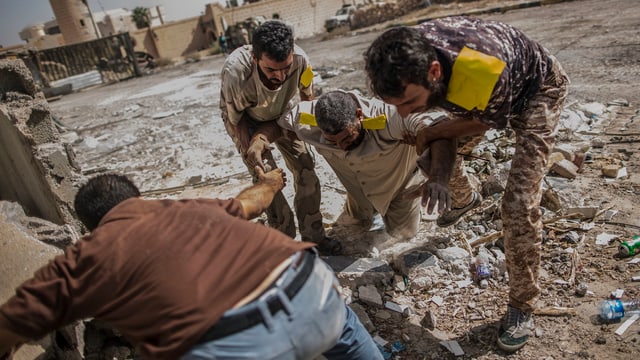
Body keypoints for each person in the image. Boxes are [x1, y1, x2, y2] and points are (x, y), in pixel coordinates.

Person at [0, 170, 383, 360]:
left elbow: (14, 321)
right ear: (138, 197)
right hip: (314, 292)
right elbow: (252, 202)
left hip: (235, 344)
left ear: (90, 225)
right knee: (344, 330)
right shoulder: (187, 207)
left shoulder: (88, 255)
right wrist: (270, 181)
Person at [364, 16, 569, 352]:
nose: (402, 113)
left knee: (518, 205)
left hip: (537, 92)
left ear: (433, 72)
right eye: (395, 105)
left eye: (408, 103)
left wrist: (431, 131)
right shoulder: (403, 57)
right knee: (434, 154)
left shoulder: (484, 68)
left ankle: (522, 306)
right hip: (484, 95)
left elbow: (480, 123)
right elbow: (444, 132)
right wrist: (436, 160)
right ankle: (463, 200)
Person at [246, 90, 462, 241]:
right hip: (358, 195)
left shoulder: (389, 116)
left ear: (359, 116)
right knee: (352, 228)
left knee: (404, 237)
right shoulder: (308, 118)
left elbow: (439, 126)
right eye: (333, 141)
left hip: (400, 192)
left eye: (347, 139)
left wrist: (437, 178)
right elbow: (277, 124)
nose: (342, 146)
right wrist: (260, 140)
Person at [219, 20, 340, 254]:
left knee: (306, 168)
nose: (281, 76)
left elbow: (307, 104)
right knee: (266, 179)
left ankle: (314, 235)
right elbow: (237, 121)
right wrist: (253, 152)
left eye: (286, 67)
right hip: (248, 122)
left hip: (285, 113)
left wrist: (313, 135)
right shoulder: (236, 72)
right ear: (255, 58)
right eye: (271, 70)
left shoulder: (302, 62)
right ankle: (282, 241)